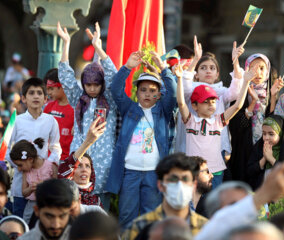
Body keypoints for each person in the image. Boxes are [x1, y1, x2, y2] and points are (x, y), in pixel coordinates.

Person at [106, 50, 176, 229]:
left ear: (159, 94)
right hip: (130, 172)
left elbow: (173, 94)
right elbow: (115, 89)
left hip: (154, 173)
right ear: (136, 92)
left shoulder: (162, 111)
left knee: (151, 217)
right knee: (127, 215)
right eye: (143, 89)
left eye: (153, 90)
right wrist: (128, 67)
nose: (147, 94)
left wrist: (163, 69)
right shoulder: (129, 108)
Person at [57, 21, 117, 210]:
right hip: (78, 166)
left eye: (96, 84)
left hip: (103, 169)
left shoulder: (111, 100)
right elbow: (66, 77)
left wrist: (98, 49)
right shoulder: (78, 99)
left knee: (101, 219)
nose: (92, 88)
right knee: (75, 215)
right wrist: (66, 43)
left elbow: (113, 75)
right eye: (88, 84)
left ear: (102, 85)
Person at [176, 51, 255, 188]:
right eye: (205, 101)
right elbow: (181, 103)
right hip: (192, 171)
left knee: (212, 206)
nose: (211, 104)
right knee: (192, 205)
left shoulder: (219, 121)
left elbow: (237, 106)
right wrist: (179, 79)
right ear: (194, 106)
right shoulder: (191, 121)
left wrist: (246, 81)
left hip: (215, 172)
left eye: (213, 101)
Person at [195, 159, 284, 240]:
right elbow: (220, 223)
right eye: (235, 205)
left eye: (245, 203)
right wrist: (263, 195)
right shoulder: (209, 231)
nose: (245, 210)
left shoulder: (265, 235)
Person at [175, 37, 244, 164]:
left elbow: (235, 92)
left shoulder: (221, 92)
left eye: (212, 68)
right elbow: (184, 87)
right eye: (203, 68)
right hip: (191, 149)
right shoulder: (190, 91)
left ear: (217, 74)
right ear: (196, 73)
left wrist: (236, 62)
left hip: (216, 149)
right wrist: (195, 59)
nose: (208, 71)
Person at [5, 77, 61, 218]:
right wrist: (20, 164)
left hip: (43, 185)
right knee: (20, 225)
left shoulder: (51, 121)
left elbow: (56, 147)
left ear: (45, 99)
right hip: (20, 185)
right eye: (31, 93)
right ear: (23, 98)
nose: (35, 96)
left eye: (39, 93)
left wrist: (48, 165)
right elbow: (5, 149)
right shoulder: (16, 121)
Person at [122, 153, 208, 240]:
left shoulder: (206, 228)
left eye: (185, 179)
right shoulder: (139, 227)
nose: (180, 185)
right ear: (160, 185)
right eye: (173, 179)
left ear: (194, 185)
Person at [227, 53, 284, 182]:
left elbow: (274, 124)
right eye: (253, 68)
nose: (258, 72)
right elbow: (236, 128)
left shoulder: (271, 93)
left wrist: (274, 96)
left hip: (265, 152)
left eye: (262, 68)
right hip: (243, 152)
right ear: (246, 69)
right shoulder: (239, 93)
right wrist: (252, 103)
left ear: (268, 70)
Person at [59, 118, 106, 206]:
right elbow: (63, 173)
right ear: (72, 172)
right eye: (79, 166)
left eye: (87, 166)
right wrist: (88, 142)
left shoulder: (97, 201)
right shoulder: (64, 195)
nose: (84, 170)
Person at [10, 138, 57, 223]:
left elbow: (57, 188)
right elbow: (24, 193)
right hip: (31, 206)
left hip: (49, 205)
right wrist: (31, 188)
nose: (19, 169)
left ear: (30, 159)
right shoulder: (26, 171)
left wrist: (45, 185)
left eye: (20, 165)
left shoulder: (51, 167)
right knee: (27, 225)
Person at [247, 115, 284, 190]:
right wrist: (264, 159)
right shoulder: (259, 147)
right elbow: (249, 171)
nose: (266, 138)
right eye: (264, 134)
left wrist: (271, 158)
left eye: (271, 134)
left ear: (281, 134)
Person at [43, 68, 74, 161]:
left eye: (51, 88)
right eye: (47, 89)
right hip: (47, 159)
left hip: (66, 160)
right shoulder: (48, 107)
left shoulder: (75, 110)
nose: (48, 93)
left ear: (62, 86)